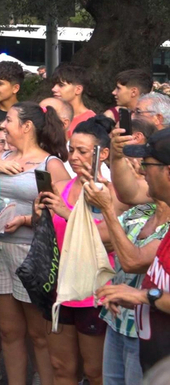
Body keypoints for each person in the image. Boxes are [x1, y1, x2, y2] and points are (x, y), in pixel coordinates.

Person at [0, 101, 70, 385]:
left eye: (9, 120)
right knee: (9, 332)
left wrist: (26, 220)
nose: (3, 125)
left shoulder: (50, 164)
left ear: (27, 126)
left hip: (32, 253)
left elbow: (62, 215)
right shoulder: (1, 157)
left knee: (39, 334)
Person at [91, 128, 170, 385]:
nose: (142, 172)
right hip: (144, 337)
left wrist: (143, 296)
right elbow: (126, 192)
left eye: (148, 165)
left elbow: (133, 261)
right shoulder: (145, 209)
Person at [39, 117, 112, 385]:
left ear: (103, 153)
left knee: (95, 371)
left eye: (82, 151)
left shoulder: (109, 192)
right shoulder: (61, 187)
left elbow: (107, 237)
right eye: (71, 150)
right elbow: (50, 233)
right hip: (60, 287)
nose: (74, 157)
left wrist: (65, 212)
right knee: (61, 367)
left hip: (94, 291)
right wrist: (37, 215)